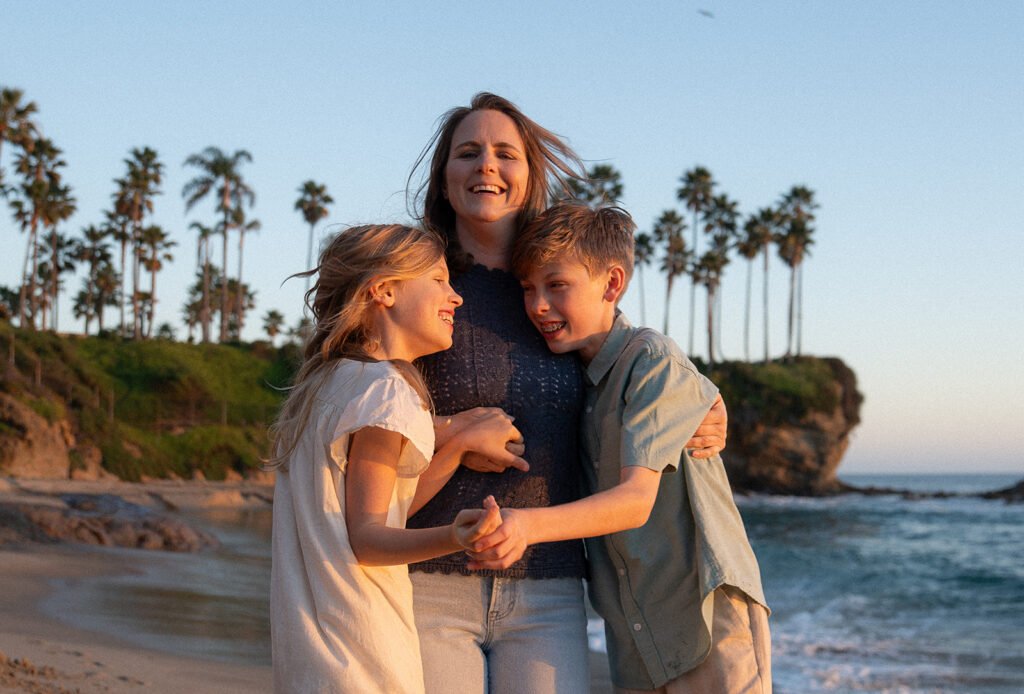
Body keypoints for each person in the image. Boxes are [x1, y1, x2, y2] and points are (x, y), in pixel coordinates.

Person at [404, 93, 730, 693]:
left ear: (530, 178)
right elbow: (359, 410)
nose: (486, 166)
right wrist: (452, 432)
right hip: (429, 579)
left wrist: (708, 402)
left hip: (551, 590)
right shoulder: (417, 286)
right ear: (443, 177)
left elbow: (633, 366)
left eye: (506, 153)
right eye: (467, 152)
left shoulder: (559, 296)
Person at [499, 200, 771, 694]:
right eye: (528, 289)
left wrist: (524, 525)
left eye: (556, 285)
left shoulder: (652, 361)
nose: (538, 304)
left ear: (612, 283)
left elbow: (634, 501)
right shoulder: (571, 379)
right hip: (632, 630)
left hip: (705, 620)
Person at [268, 224, 529, 694]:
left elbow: (386, 509)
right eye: (438, 280)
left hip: (309, 652)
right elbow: (367, 540)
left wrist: (455, 446)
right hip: (364, 649)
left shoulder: (329, 384)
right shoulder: (387, 391)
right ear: (385, 290)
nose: (456, 298)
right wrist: (456, 536)